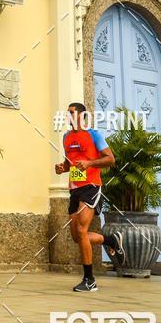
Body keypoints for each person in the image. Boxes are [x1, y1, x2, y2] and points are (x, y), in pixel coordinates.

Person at [55, 102, 125, 291]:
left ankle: (90, 280)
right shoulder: (66, 137)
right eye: (66, 112)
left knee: (81, 228)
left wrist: (90, 163)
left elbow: (110, 159)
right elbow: (70, 163)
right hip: (75, 188)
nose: (67, 115)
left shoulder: (93, 134)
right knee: (77, 236)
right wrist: (63, 168)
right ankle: (110, 240)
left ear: (81, 116)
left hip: (91, 186)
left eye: (70, 112)